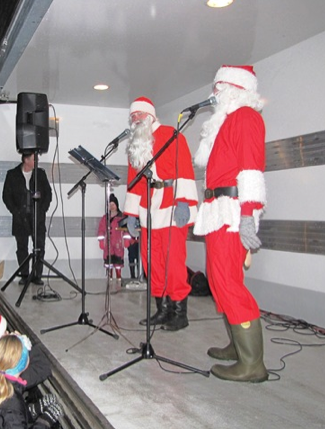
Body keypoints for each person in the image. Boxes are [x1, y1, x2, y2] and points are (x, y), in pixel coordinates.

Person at [193, 65, 268, 382]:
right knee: (219, 278)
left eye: (218, 88)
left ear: (235, 89)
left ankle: (252, 363)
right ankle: (237, 346)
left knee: (229, 283)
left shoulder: (246, 117)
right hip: (216, 210)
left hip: (232, 211)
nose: (213, 94)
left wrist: (249, 214)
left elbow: (252, 168)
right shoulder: (227, 122)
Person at [124, 96, 198, 331]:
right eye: (132, 116)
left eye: (139, 114)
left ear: (151, 115)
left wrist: (185, 202)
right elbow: (133, 181)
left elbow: (185, 170)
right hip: (148, 208)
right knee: (151, 261)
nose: (135, 119)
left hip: (172, 206)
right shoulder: (136, 144)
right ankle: (162, 309)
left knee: (173, 261)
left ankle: (179, 313)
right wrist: (132, 214)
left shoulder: (172, 135)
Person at [2, 152, 52, 286]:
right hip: (20, 218)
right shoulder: (12, 174)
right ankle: (24, 275)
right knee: (22, 247)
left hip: (38, 218)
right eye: (34, 159)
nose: (37, 161)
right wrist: (16, 211)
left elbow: (48, 193)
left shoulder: (40, 174)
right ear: (26, 159)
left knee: (39, 247)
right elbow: (6, 196)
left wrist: (42, 210)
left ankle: (37, 275)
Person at [97, 193, 127, 284]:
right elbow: (101, 229)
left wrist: (126, 241)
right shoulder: (105, 218)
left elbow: (126, 230)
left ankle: (118, 276)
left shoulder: (122, 217)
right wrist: (101, 240)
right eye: (110, 205)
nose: (112, 207)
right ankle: (109, 276)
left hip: (118, 242)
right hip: (108, 243)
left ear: (117, 205)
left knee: (118, 259)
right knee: (108, 259)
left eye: (113, 204)